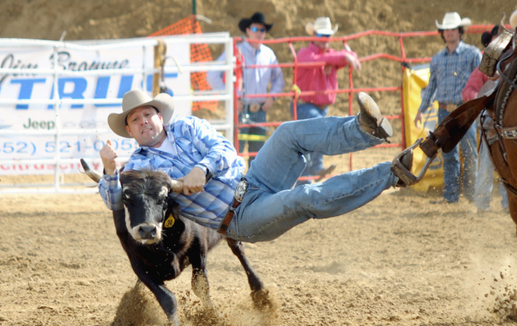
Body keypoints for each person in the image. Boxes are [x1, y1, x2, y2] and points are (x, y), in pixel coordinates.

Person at [97, 89, 400, 244]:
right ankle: (391, 173)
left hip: (251, 181)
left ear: (160, 116)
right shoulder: (139, 166)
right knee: (301, 197)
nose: (143, 122)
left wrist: (202, 169)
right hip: (239, 217)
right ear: (130, 131)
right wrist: (109, 171)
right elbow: (115, 201)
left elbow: (225, 150)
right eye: (134, 120)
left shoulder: (188, 127)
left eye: (147, 114)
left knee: (286, 133)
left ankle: (363, 130)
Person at [414, 12, 481, 204]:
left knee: (469, 154)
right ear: (442, 33)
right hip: (444, 110)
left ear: (460, 32)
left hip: (465, 110)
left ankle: (471, 195)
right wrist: (422, 108)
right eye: (446, 30)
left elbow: (480, 82)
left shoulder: (472, 54)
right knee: (449, 154)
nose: (449, 33)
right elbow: (431, 86)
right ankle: (451, 196)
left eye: (453, 29)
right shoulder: (437, 59)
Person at [207, 12, 285, 165]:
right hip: (240, 110)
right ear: (248, 30)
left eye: (262, 30)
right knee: (236, 154)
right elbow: (212, 75)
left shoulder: (269, 54)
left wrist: (272, 96)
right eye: (256, 29)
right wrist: (231, 98)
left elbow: (279, 80)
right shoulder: (236, 51)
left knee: (258, 156)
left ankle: (254, 188)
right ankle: (234, 186)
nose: (259, 34)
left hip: (260, 111)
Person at [294, 17, 362, 179]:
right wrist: (338, 59)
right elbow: (315, 60)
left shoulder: (330, 55)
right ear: (314, 36)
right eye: (322, 35)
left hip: (319, 107)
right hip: (305, 106)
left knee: (309, 143)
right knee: (321, 128)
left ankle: (306, 179)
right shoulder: (305, 53)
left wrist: (340, 58)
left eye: (327, 36)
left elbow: (350, 54)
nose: (325, 40)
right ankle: (316, 168)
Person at [462, 25, 509, 213]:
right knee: (492, 163)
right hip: (493, 122)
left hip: (508, 122)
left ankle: (506, 203)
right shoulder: (486, 66)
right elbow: (469, 91)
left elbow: (468, 90)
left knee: (503, 164)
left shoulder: (512, 64)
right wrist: (481, 100)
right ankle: (485, 203)